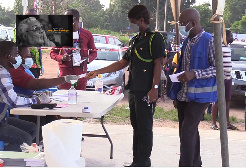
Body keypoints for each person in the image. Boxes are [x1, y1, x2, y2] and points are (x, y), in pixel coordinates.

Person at [86, 5, 165, 166]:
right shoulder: (136, 40)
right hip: (135, 89)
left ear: (142, 20)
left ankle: (144, 162)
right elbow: (122, 63)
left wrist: (155, 88)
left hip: (147, 90)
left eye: (134, 23)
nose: (133, 26)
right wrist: (98, 72)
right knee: (136, 126)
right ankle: (137, 161)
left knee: (144, 127)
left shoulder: (154, 39)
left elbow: (159, 64)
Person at [169, 8, 217, 167]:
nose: (181, 26)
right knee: (187, 131)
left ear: (194, 23)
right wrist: (176, 93)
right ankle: (195, 163)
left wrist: (195, 74)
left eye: (183, 24)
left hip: (201, 96)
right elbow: (182, 67)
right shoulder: (186, 41)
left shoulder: (209, 40)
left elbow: (218, 69)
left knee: (188, 130)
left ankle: (186, 165)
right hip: (184, 95)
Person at [10, 46, 78, 140]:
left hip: (26, 102)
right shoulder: (14, 70)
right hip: (20, 108)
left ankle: (50, 142)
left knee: (51, 119)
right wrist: (64, 79)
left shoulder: (22, 69)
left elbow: (33, 85)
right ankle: (39, 144)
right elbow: (36, 84)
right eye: (27, 56)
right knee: (41, 124)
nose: (30, 58)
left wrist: (39, 94)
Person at [0, 41, 50, 151]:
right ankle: (8, 161)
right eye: (16, 54)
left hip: (2, 119)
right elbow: (14, 101)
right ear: (8, 57)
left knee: (33, 128)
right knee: (25, 139)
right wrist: (36, 101)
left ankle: (13, 151)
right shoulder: (2, 73)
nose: (19, 57)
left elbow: (10, 96)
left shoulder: (6, 71)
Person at [50, 9, 97, 90]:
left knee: (80, 99)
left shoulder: (87, 34)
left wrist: (88, 59)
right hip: (65, 73)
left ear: (75, 19)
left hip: (81, 73)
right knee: (64, 98)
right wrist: (62, 58)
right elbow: (53, 53)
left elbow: (94, 52)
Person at [211, 30, 236, 130]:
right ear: (225, 36)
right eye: (230, 36)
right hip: (220, 77)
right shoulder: (218, 46)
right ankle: (213, 122)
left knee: (227, 99)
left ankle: (226, 122)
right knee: (216, 100)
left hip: (228, 76)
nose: (232, 38)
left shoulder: (228, 46)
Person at [25, 9, 44, 79]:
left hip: (36, 64)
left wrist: (40, 64)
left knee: (35, 85)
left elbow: (38, 48)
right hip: (25, 64)